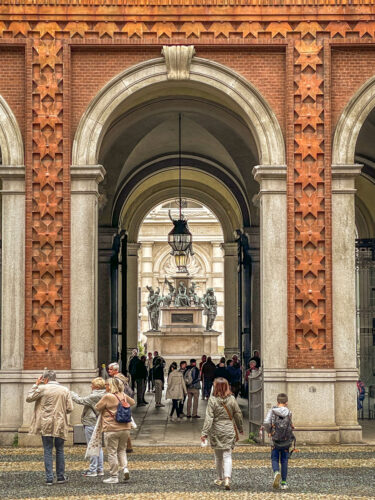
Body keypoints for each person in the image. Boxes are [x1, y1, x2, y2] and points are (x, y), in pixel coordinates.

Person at [26, 370, 74, 485]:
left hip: (45, 423)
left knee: (47, 450)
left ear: (45, 379)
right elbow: (70, 408)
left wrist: (36, 384)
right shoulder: (65, 390)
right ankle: (61, 477)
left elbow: (29, 398)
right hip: (60, 422)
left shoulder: (42, 389)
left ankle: (49, 478)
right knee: (60, 450)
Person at [201, 377, 243, 491]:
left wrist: (204, 432)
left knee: (218, 457)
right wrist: (240, 428)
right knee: (228, 455)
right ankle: (227, 479)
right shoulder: (232, 399)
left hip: (216, 430)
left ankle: (219, 478)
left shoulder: (212, 400)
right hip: (229, 429)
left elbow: (209, 417)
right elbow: (237, 414)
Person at [95, 377, 135, 484]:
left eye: (107, 385)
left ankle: (114, 476)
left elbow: (97, 407)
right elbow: (133, 402)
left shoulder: (108, 396)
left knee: (112, 452)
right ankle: (125, 468)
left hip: (111, 428)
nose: (105, 386)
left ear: (111, 386)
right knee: (121, 450)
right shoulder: (123, 395)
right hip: (125, 428)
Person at [71, 377, 106, 477]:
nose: (91, 386)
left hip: (91, 422)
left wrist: (70, 393)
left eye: (92, 384)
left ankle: (93, 470)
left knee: (92, 446)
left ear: (96, 386)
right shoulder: (105, 394)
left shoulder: (94, 396)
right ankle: (100, 469)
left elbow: (80, 400)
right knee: (98, 446)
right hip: (99, 422)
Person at [262, 393, 295, 491]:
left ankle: (276, 472)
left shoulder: (272, 411)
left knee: (274, 458)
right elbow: (290, 424)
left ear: (277, 402)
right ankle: (284, 483)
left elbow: (266, 423)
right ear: (286, 403)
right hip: (286, 439)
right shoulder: (289, 412)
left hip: (275, 439)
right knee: (284, 460)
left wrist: (269, 432)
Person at [107, 363, 134, 453]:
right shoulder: (122, 377)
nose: (109, 371)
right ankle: (128, 446)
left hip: (120, 403)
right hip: (124, 403)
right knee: (125, 424)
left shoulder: (116, 380)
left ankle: (126, 446)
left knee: (122, 424)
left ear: (116, 370)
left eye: (111, 369)